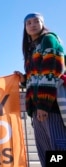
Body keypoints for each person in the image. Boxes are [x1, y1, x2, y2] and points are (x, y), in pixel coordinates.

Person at [14, 13, 66, 167]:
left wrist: (43, 105)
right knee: (45, 152)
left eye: (36, 21)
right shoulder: (31, 49)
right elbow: (36, 77)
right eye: (28, 23)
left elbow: (52, 72)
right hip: (37, 108)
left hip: (51, 106)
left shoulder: (49, 39)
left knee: (58, 150)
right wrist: (24, 79)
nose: (32, 24)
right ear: (25, 28)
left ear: (42, 23)